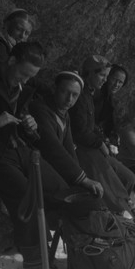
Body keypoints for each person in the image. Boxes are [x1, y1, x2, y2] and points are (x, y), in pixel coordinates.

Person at [0, 41, 95, 269]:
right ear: (11, 61)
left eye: (31, 77)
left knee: (62, 190)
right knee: (27, 197)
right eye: (24, 74)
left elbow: (22, 114)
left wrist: (30, 127)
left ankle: (67, 252)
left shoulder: (20, 86)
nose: (25, 81)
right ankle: (36, 267)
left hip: (21, 149)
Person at [69, 55, 135, 214]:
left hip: (93, 144)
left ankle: (122, 208)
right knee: (113, 176)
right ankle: (118, 209)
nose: (106, 81)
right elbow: (80, 131)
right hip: (83, 148)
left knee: (126, 177)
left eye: (107, 77)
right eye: (104, 76)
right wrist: (100, 143)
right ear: (89, 73)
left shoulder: (96, 95)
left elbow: (93, 127)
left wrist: (106, 141)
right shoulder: (85, 95)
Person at [29, 70, 105, 201]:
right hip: (35, 160)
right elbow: (53, 148)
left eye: (75, 95)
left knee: (81, 189)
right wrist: (82, 179)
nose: (69, 99)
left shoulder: (64, 114)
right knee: (64, 191)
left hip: (50, 162)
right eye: (65, 92)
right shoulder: (41, 109)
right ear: (55, 89)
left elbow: (69, 147)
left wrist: (81, 178)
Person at [95, 63, 128, 149]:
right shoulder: (97, 95)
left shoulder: (110, 99)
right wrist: (105, 140)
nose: (116, 85)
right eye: (114, 79)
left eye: (120, 82)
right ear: (107, 77)